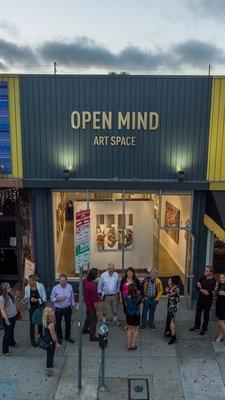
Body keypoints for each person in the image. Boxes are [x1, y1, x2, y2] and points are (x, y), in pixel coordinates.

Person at [190, 266, 216, 336]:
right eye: (205, 270)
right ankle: (197, 326)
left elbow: (207, 293)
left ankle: (204, 329)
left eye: (207, 271)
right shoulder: (203, 277)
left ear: (211, 273)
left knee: (206, 315)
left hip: (207, 301)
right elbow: (196, 285)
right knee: (198, 313)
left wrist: (200, 288)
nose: (205, 272)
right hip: (200, 299)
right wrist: (201, 289)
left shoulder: (213, 281)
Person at [50, 274, 76, 344]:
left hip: (68, 308)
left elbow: (72, 296)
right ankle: (59, 337)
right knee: (58, 324)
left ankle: (67, 337)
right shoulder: (55, 288)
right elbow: (51, 298)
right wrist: (57, 299)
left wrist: (73, 306)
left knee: (68, 323)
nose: (62, 282)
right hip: (59, 309)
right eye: (61, 281)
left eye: (64, 281)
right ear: (59, 280)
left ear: (66, 280)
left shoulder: (69, 286)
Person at [22, 274, 47, 347]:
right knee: (32, 324)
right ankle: (32, 340)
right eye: (28, 281)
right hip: (32, 308)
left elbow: (45, 298)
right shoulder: (27, 288)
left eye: (29, 281)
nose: (28, 282)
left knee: (40, 322)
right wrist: (24, 300)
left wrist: (37, 300)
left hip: (40, 307)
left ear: (34, 281)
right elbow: (26, 298)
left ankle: (41, 335)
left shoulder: (41, 286)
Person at [0, 282, 20, 356]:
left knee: (11, 331)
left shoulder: (9, 295)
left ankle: (12, 343)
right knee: (7, 334)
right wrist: (5, 318)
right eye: (8, 287)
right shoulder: (2, 298)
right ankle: (5, 350)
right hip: (7, 318)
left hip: (13, 316)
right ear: (4, 289)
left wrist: (16, 295)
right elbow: (2, 309)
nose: (10, 288)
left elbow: (13, 300)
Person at [42, 306, 61, 377]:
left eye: (52, 310)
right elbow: (53, 336)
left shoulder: (45, 321)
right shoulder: (51, 324)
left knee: (49, 354)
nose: (52, 312)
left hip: (47, 340)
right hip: (50, 342)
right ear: (47, 314)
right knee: (50, 355)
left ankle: (49, 367)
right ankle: (49, 369)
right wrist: (57, 343)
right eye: (50, 312)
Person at [82, 268, 99, 342]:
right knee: (93, 320)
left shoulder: (85, 280)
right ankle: (92, 336)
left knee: (88, 317)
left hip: (87, 303)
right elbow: (95, 301)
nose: (99, 274)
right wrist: (97, 310)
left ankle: (84, 329)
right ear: (94, 275)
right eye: (98, 273)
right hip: (92, 306)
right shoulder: (93, 286)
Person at [124, 283, 142, 350]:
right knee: (136, 329)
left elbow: (126, 305)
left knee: (129, 329)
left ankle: (128, 345)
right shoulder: (139, 297)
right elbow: (139, 305)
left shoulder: (126, 297)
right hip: (136, 314)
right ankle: (133, 345)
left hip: (129, 314)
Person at [164, 276, 180, 345]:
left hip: (173, 307)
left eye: (169, 281)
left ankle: (173, 336)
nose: (168, 282)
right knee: (171, 320)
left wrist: (167, 291)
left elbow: (169, 295)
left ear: (173, 282)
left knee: (172, 321)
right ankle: (171, 333)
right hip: (171, 306)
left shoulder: (175, 289)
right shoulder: (173, 287)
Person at [214, 272, 225, 342]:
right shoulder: (220, 284)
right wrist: (216, 286)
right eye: (220, 277)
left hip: (224, 306)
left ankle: (221, 335)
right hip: (219, 304)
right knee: (219, 322)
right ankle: (221, 335)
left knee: (222, 323)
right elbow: (215, 292)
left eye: (223, 277)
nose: (221, 279)